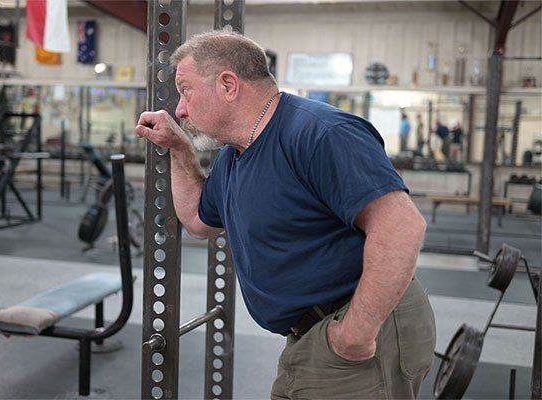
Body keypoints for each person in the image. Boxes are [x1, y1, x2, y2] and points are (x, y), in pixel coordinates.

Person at [136, 31, 435, 399]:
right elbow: (200, 221)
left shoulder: (320, 133)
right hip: (310, 333)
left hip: (362, 327)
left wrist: (355, 333)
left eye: (186, 90)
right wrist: (181, 150)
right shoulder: (236, 154)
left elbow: (402, 226)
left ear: (228, 85)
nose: (180, 109)